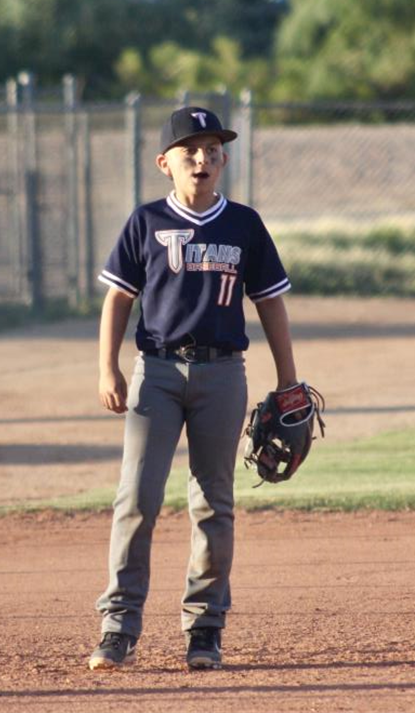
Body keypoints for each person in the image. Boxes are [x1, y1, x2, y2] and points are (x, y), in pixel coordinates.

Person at [88, 106, 297, 671]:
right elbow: (118, 299)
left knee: (213, 503)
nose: (201, 159)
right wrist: (107, 368)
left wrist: (288, 380)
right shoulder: (147, 221)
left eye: (211, 149)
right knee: (137, 498)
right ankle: (118, 626)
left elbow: (270, 302)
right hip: (154, 371)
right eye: (189, 151)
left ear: (224, 158)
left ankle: (204, 628)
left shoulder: (244, 225)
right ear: (165, 164)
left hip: (223, 372)